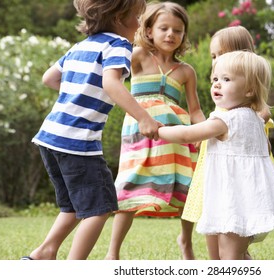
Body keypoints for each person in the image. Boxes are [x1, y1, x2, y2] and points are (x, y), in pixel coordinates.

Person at [22, 0, 161, 260]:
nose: (141, 23)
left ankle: (44, 252)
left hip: (51, 137)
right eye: (139, 16)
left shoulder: (80, 46)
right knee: (100, 208)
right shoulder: (118, 45)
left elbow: (49, 78)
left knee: (75, 205)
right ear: (120, 18)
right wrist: (143, 118)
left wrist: (79, 90)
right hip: (77, 141)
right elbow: (112, 83)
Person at [158, 51, 274, 260]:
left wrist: (158, 131)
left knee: (229, 256)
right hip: (251, 200)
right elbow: (265, 150)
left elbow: (187, 134)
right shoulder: (256, 121)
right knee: (237, 254)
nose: (217, 84)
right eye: (215, 79)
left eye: (226, 79)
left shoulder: (226, 120)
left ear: (250, 89)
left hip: (233, 202)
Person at [105, 2, 205, 260]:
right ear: (148, 30)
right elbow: (112, 80)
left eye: (178, 30)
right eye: (164, 28)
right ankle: (112, 252)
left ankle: (186, 241)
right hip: (141, 131)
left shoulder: (186, 71)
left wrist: (204, 132)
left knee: (186, 185)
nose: (171, 34)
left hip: (177, 135)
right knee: (130, 182)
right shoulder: (137, 55)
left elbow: (194, 110)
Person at [182, 26, 274, 260]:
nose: (216, 61)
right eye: (213, 56)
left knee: (233, 220)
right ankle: (217, 261)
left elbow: (261, 115)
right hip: (213, 162)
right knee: (210, 213)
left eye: (221, 55)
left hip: (237, 167)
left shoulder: (249, 99)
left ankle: (235, 258)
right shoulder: (225, 90)